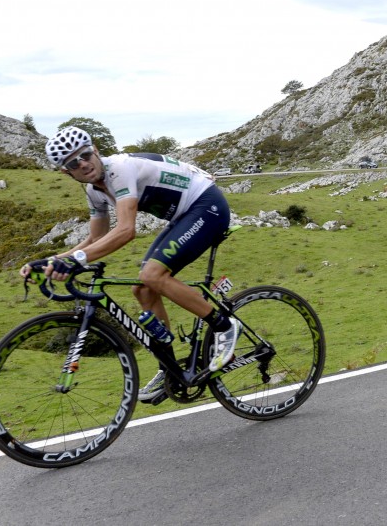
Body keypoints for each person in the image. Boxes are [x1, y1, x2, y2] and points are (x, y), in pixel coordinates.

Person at [22, 126, 241, 404]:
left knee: (152, 275)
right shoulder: (94, 191)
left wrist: (76, 261)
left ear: (96, 151)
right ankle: (170, 369)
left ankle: (224, 326)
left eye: (86, 155)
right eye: (73, 163)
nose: (84, 164)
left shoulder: (120, 170)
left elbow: (126, 231)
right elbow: (95, 238)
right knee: (143, 289)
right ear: (67, 172)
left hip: (206, 205)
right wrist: (51, 262)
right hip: (185, 215)